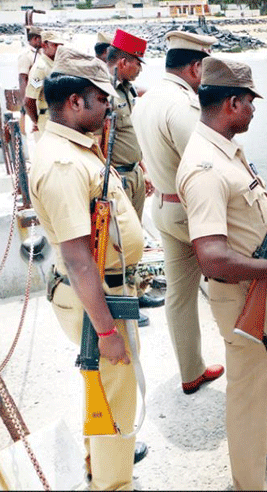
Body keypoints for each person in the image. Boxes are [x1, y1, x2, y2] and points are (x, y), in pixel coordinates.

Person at [176, 57, 267, 488]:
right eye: (251, 102)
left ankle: (262, 444)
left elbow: (245, 209)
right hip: (242, 297)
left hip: (255, 289)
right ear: (232, 103)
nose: (255, 110)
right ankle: (249, 481)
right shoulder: (205, 169)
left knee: (259, 384)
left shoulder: (224, 152)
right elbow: (212, 257)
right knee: (248, 397)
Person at [28, 46, 147, 490]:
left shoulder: (74, 146)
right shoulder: (62, 163)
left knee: (103, 386)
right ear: (75, 102)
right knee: (117, 395)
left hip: (103, 289)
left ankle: (99, 457)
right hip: (98, 296)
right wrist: (108, 333)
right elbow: (79, 261)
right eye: (102, 100)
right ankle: (113, 483)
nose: (109, 108)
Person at [132, 30, 226, 394]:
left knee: (180, 296)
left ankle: (191, 371)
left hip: (164, 208)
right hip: (190, 211)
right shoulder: (182, 105)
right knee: (257, 271)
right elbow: (208, 161)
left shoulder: (149, 98)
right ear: (197, 67)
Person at [105, 29, 163, 315]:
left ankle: (137, 292)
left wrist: (143, 169)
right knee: (119, 243)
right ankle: (124, 302)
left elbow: (130, 135)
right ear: (124, 61)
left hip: (134, 173)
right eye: (138, 62)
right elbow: (97, 139)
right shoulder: (104, 92)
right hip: (116, 177)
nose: (140, 69)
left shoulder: (126, 90)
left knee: (136, 237)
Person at [23, 30, 65, 140]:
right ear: (44, 45)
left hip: (59, 118)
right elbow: (29, 101)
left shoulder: (56, 65)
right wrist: (37, 122)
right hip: (48, 119)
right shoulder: (40, 69)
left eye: (61, 45)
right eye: (55, 45)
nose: (59, 48)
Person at [17, 25, 42, 104]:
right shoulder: (26, 55)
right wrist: (25, 102)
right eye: (42, 39)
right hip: (32, 96)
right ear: (35, 39)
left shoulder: (39, 53)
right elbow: (22, 79)